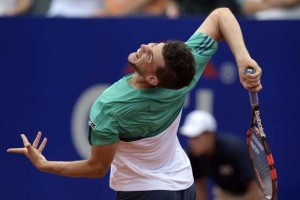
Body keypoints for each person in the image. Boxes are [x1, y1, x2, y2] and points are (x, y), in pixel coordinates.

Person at [7, 7, 262, 200]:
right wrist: (243, 58)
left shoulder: (109, 107)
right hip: (184, 187)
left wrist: (45, 165)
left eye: (150, 53)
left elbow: (96, 168)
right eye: (155, 45)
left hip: (143, 192)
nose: (144, 46)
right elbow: (221, 15)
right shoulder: (184, 73)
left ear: (152, 77)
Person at [179, 110, 262, 200]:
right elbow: (200, 186)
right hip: (227, 192)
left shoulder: (232, 149)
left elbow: (252, 184)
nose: (191, 143)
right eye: (190, 138)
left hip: (258, 187)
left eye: (196, 138)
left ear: (210, 135)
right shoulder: (193, 155)